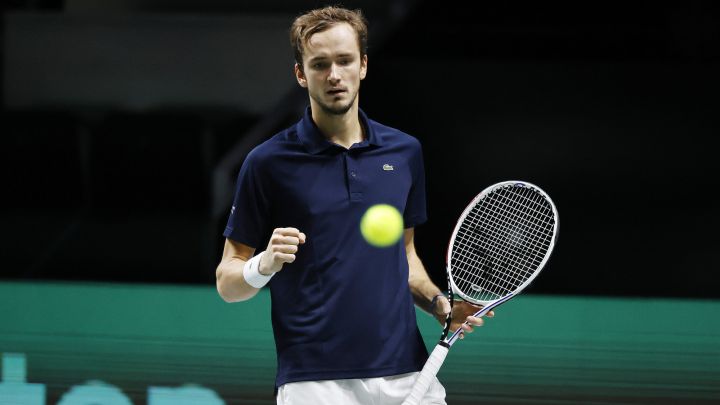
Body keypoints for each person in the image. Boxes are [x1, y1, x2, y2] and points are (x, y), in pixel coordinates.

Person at [215, 6, 493, 405]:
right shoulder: (268, 162)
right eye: (319, 64)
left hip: (406, 372)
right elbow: (228, 283)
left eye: (344, 61)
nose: (334, 75)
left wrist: (437, 303)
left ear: (362, 65)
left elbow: (405, 253)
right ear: (300, 74)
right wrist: (264, 263)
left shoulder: (404, 152)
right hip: (315, 383)